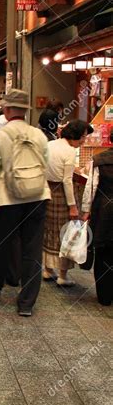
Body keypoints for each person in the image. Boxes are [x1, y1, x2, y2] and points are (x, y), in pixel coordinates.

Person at [0, 89, 51, 316]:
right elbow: (45, 167)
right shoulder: (39, 135)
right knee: (32, 250)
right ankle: (26, 303)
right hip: (38, 197)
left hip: (8, 199)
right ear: (26, 111)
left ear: (8, 110)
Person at [43, 120, 92, 286]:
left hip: (47, 192)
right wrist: (72, 206)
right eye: (83, 137)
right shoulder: (70, 151)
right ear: (75, 135)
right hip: (62, 196)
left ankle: (47, 269)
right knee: (65, 234)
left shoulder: (50, 145)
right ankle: (62, 276)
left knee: (49, 232)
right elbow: (67, 181)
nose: (84, 141)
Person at [81, 128, 113, 306]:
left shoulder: (99, 160)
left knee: (102, 250)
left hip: (103, 209)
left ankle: (104, 295)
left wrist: (86, 210)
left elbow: (91, 187)